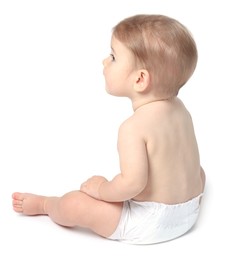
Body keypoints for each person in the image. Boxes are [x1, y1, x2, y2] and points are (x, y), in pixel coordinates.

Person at [12, 14, 206, 245]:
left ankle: (46, 205)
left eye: (113, 56)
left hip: (151, 224)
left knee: (75, 204)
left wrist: (102, 189)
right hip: (191, 209)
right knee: (193, 168)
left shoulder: (132, 128)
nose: (105, 61)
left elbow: (132, 185)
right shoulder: (180, 109)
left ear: (140, 79)